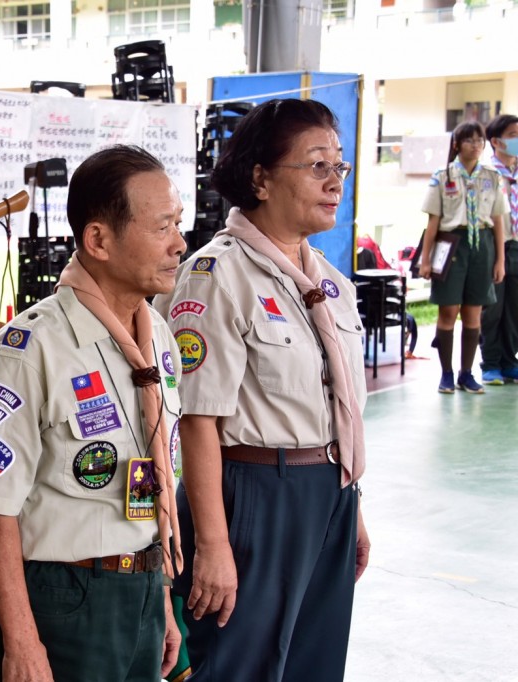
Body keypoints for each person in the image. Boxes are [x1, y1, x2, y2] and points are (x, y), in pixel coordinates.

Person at [152, 98, 369, 681]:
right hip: (253, 494)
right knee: (242, 666)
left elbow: (335, 408)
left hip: (330, 494)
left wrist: (351, 506)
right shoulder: (216, 275)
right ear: (261, 178)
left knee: (314, 664)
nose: (334, 181)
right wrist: (214, 547)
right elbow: (198, 421)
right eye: (317, 165)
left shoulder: (330, 283)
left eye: (340, 167)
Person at [0, 144, 187, 682]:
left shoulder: (162, 341)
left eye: (178, 224)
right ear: (99, 240)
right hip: (65, 598)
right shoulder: (29, 348)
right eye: (162, 228)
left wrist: (162, 602)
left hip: (144, 585)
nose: (179, 244)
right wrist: (21, 641)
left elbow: (157, 480)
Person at [418, 121, 506, 394]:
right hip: (451, 244)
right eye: (470, 140)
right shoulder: (442, 175)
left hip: (483, 244)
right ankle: (446, 373)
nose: (476, 145)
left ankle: (466, 374)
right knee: (448, 310)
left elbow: (498, 220)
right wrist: (425, 258)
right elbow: (433, 222)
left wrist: (499, 259)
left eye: (480, 140)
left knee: (473, 312)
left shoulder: (491, 176)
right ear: (457, 144)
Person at [479, 114, 518, 384]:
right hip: (495, 245)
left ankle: (509, 360)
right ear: (496, 141)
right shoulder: (487, 175)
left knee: (515, 307)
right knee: (492, 307)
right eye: (514, 135)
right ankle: (490, 362)